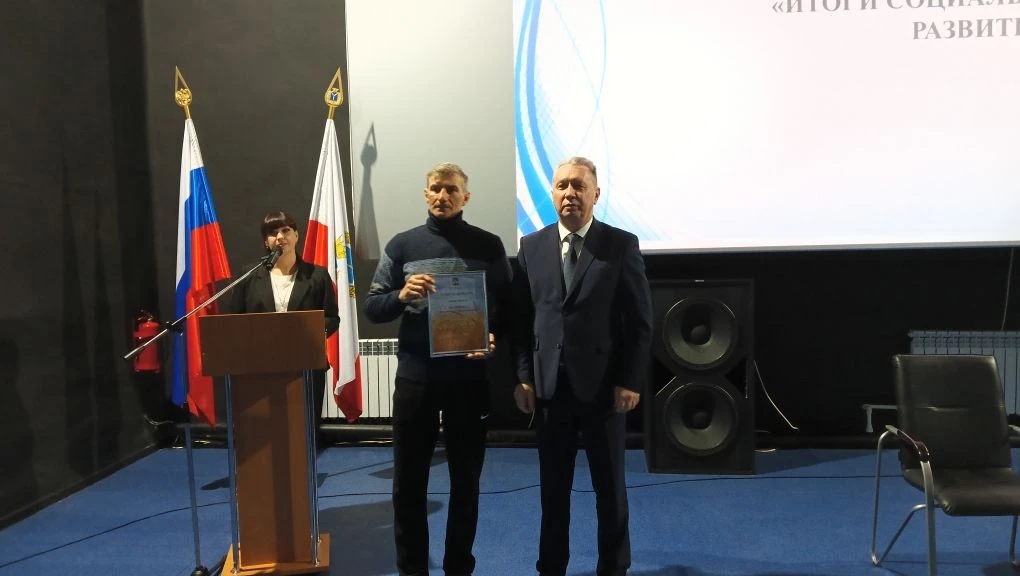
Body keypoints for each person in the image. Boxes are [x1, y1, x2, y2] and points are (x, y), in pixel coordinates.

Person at [363, 162, 512, 576]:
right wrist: (400, 295)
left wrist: (493, 335)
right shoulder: (402, 245)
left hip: (469, 382)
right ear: (425, 193)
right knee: (408, 484)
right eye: (435, 188)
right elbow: (372, 307)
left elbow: (510, 306)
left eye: (451, 189)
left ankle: (459, 567)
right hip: (416, 380)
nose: (442, 196)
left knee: (467, 483)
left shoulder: (488, 245)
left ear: (466, 197)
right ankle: (412, 570)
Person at [512, 156, 653, 576]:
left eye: (578, 185)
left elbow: (640, 321)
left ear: (595, 194)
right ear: (552, 193)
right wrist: (523, 377)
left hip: (604, 390)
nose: (569, 193)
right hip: (549, 390)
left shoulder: (620, 245)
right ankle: (551, 567)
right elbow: (522, 321)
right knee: (553, 491)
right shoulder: (530, 246)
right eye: (562, 186)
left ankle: (614, 567)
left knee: (609, 489)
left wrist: (630, 380)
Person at [226, 210, 339, 436]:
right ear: (266, 242)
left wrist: (306, 331)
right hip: (259, 367)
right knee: (263, 433)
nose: (280, 237)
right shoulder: (249, 276)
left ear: (296, 235)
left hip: (305, 364)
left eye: (286, 230)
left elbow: (332, 318)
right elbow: (234, 319)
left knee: (302, 431)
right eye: (272, 233)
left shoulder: (317, 275)